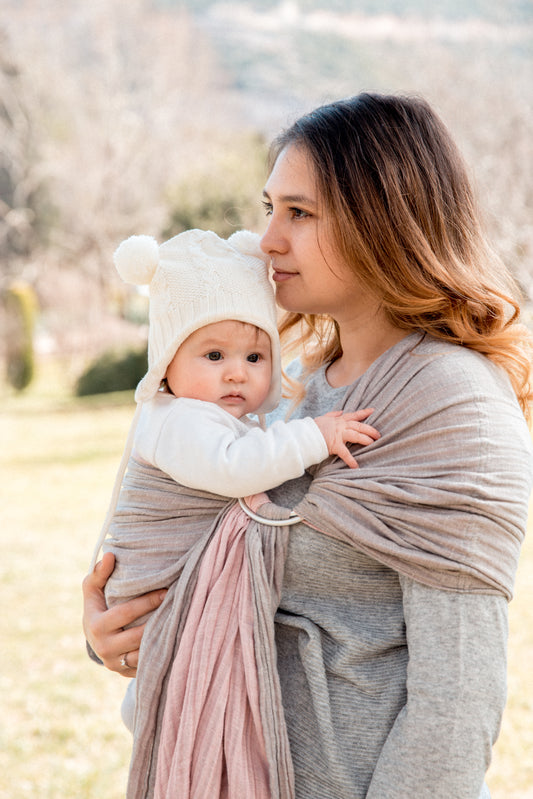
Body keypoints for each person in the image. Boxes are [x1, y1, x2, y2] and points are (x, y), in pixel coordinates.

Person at [83, 92, 533, 799]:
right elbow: (156, 535)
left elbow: (454, 708)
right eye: (270, 208)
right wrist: (110, 629)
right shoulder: (274, 387)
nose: (267, 239)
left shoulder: (452, 406)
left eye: (299, 212)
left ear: (383, 222)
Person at [89, 227, 380, 797]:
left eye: (255, 356)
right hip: (158, 582)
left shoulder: (221, 417)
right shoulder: (180, 421)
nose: (236, 372)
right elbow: (236, 468)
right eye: (213, 354)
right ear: (168, 362)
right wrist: (316, 437)